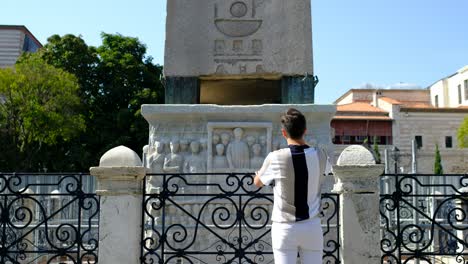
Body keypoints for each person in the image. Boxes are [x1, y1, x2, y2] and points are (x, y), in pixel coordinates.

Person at [254, 108, 330, 264]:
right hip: (312, 225)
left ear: (284, 133)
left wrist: (258, 173)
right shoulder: (320, 155)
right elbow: (328, 171)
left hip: (284, 227)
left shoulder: (275, 157)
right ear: (305, 131)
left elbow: (258, 182)